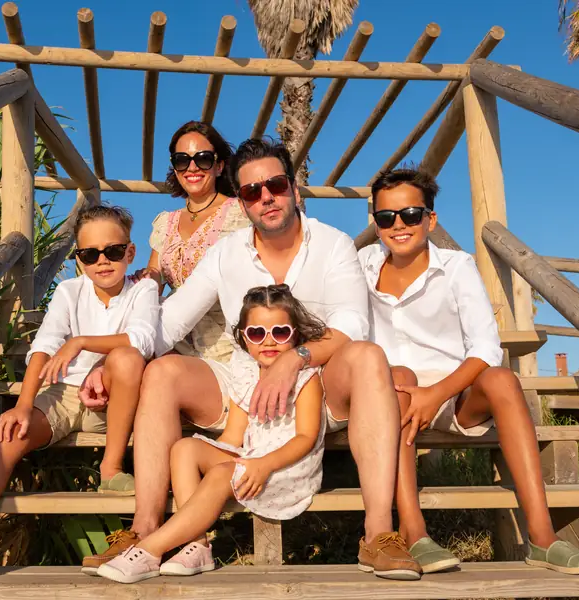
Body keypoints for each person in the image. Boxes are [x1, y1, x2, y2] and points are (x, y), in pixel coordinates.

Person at [81, 138, 421, 581]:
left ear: (294, 190)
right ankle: (146, 529)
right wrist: (111, 359)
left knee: (368, 354)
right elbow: (168, 323)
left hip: (317, 383)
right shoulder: (227, 253)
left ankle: (377, 534)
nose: (266, 197)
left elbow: (353, 322)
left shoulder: (333, 244)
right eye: (251, 191)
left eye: (275, 185)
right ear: (241, 202)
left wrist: (295, 359)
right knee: (162, 370)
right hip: (244, 383)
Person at [358, 167, 579, 576]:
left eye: (411, 215)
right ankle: (414, 532)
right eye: (386, 218)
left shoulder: (456, 266)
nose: (398, 225)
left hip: (454, 395)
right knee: (396, 378)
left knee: (503, 378)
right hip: (395, 392)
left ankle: (543, 538)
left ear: (430, 220)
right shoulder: (362, 265)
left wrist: (436, 394)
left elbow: (486, 347)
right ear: (376, 224)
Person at [0, 205, 159, 581]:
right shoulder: (71, 291)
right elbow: (46, 342)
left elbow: (144, 339)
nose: (102, 261)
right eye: (90, 254)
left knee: (127, 358)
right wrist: (23, 405)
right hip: (64, 393)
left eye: (113, 251)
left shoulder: (144, 289)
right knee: (9, 435)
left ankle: (111, 467)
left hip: (118, 400)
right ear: (78, 260)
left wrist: (82, 343)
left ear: (130, 252)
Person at [96, 285, 328, 583]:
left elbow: (306, 438)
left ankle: (150, 549)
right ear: (244, 338)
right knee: (184, 449)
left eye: (280, 332)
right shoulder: (246, 373)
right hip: (253, 458)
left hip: (287, 468)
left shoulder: (306, 378)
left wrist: (260, 465)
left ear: (294, 335)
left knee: (221, 475)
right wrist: (212, 459)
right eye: (257, 333)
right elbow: (233, 436)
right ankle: (198, 544)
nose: (268, 341)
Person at [138, 120, 250, 364]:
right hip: (172, 340)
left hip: (227, 345)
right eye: (182, 160)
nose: (192, 167)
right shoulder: (165, 223)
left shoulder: (241, 213)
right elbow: (155, 278)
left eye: (203, 159)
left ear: (219, 166)